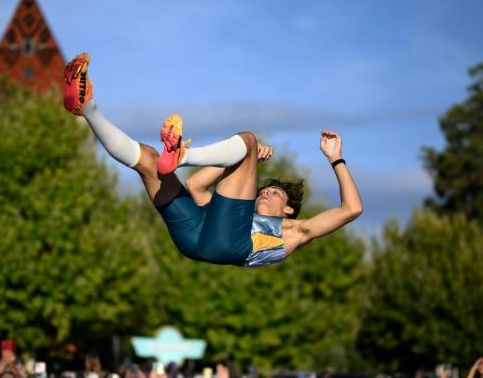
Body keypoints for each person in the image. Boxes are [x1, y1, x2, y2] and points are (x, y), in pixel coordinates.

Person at [63, 53, 362, 267]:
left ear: (288, 210)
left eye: (275, 193)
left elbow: (353, 209)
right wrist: (237, 164)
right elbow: (195, 185)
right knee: (151, 161)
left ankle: (183, 155)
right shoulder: (232, 212)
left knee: (247, 138)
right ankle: (86, 107)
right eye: (265, 189)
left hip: (231, 247)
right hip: (196, 235)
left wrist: (336, 159)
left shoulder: (297, 230)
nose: (266, 191)